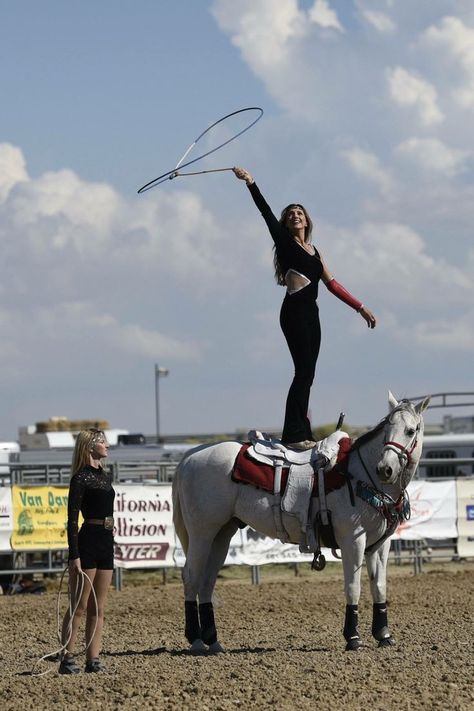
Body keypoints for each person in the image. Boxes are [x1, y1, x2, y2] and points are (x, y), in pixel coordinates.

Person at [233, 166, 377, 450]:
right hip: (294, 312)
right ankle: (294, 433)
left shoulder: (315, 251)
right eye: (290, 214)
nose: (295, 215)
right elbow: (265, 212)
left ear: (307, 220)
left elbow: (333, 284)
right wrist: (251, 183)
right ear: (286, 223)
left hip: (312, 314)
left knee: (308, 373)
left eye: (299, 212)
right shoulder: (284, 243)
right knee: (302, 372)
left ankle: (301, 429)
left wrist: (360, 307)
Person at [58, 428, 114, 674]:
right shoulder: (80, 478)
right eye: (102, 441)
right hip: (88, 540)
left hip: (106, 540)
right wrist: (74, 555)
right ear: (89, 446)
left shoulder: (105, 477)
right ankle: (67, 657)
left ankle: (94, 658)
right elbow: (71, 520)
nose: (106, 445)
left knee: (98, 608)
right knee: (79, 605)